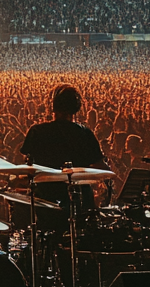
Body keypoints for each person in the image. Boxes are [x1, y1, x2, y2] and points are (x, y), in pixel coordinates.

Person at [18, 83, 110, 219]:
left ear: (53, 107)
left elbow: (27, 167)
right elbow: (101, 168)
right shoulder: (85, 134)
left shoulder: (37, 132)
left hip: (46, 201)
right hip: (80, 202)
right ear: (76, 108)